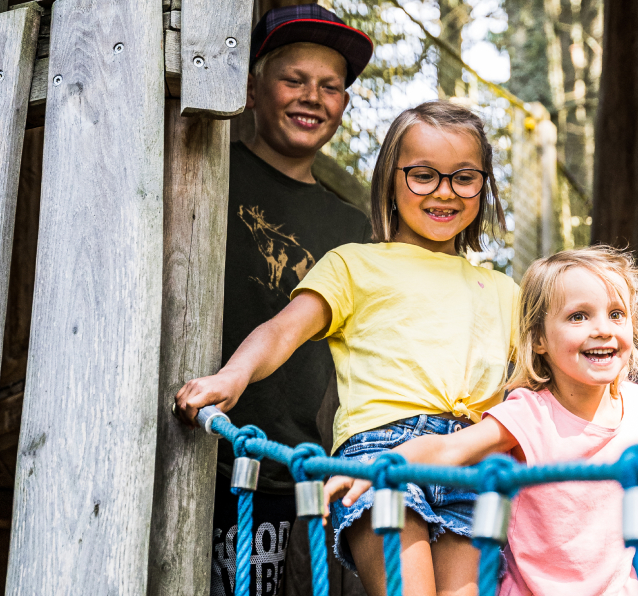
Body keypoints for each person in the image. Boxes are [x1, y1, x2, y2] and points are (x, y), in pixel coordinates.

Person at [176, 100, 517, 596]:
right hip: (380, 453)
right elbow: (282, 330)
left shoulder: (505, 291)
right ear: (390, 180)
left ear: (483, 186)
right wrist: (233, 375)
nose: (444, 192)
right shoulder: (353, 264)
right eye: (423, 175)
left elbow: (539, 381)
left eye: (464, 178)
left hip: (470, 458)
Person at [323, 246, 638, 596]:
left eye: (616, 314)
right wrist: (385, 464)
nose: (602, 329)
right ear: (539, 339)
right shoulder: (529, 412)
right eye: (579, 316)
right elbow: (451, 448)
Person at [199, 4, 375, 596]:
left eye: (330, 86)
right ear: (251, 89)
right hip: (184, 441)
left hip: (281, 469)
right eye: (294, 79)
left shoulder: (354, 229)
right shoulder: (204, 171)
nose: (312, 98)